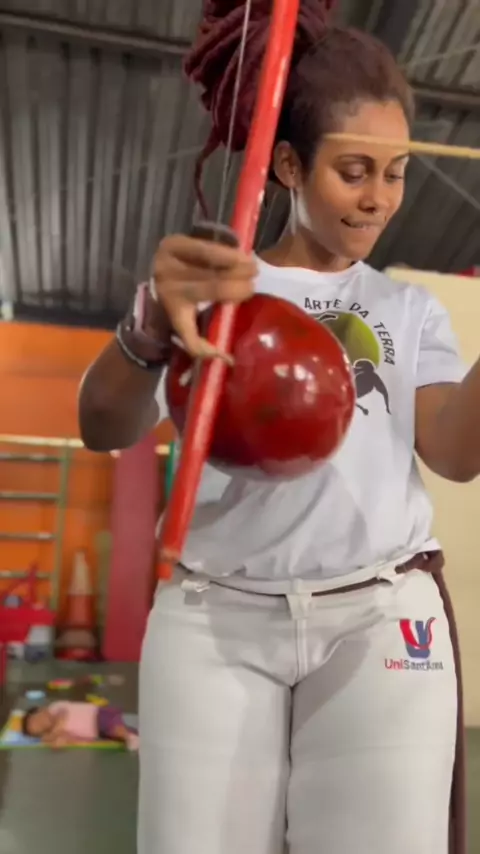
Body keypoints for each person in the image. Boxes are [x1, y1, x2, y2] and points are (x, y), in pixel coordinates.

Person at [78, 2, 475, 852]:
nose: (378, 198)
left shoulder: (408, 310)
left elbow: (456, 452)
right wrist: (149, 327)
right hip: (215, 616)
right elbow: (101, 426)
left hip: (379, 617)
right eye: (354, 170)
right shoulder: (215, 286)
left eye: (396, 172)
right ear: (289, 164)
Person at [22, 701, 139, 750]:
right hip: (96, 731)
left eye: (37, 720)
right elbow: (67, 737)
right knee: (114, 732)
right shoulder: (58, 731)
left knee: (114, 727)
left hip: (96, 715)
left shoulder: (54, 708)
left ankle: (130, 737)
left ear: (41, 710)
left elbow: (63, 715)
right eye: (39, 728)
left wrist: (53, 735)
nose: (41, 724)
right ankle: (133, 735)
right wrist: (59, 742)